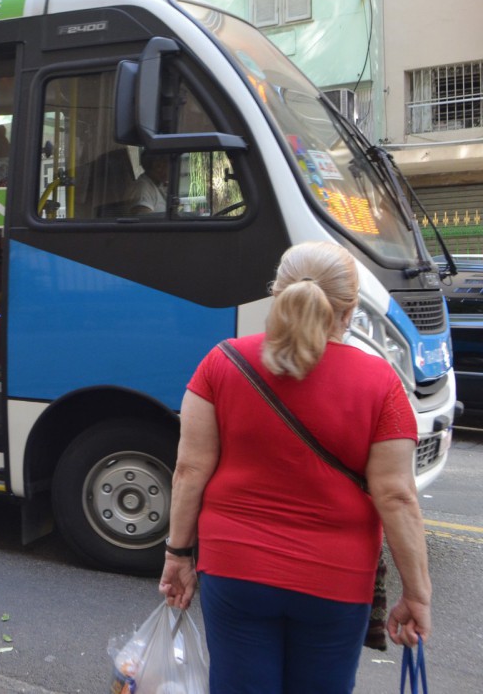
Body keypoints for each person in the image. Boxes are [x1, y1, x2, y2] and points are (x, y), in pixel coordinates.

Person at [158, 241, 432, 694]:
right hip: (336, 580)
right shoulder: (381, 383)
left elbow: (189, 470)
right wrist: (416, 593)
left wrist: (177, 556)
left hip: (234, 567)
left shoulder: (221, 363)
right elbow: (397, 496)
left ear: (277, 295)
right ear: (348, 312)